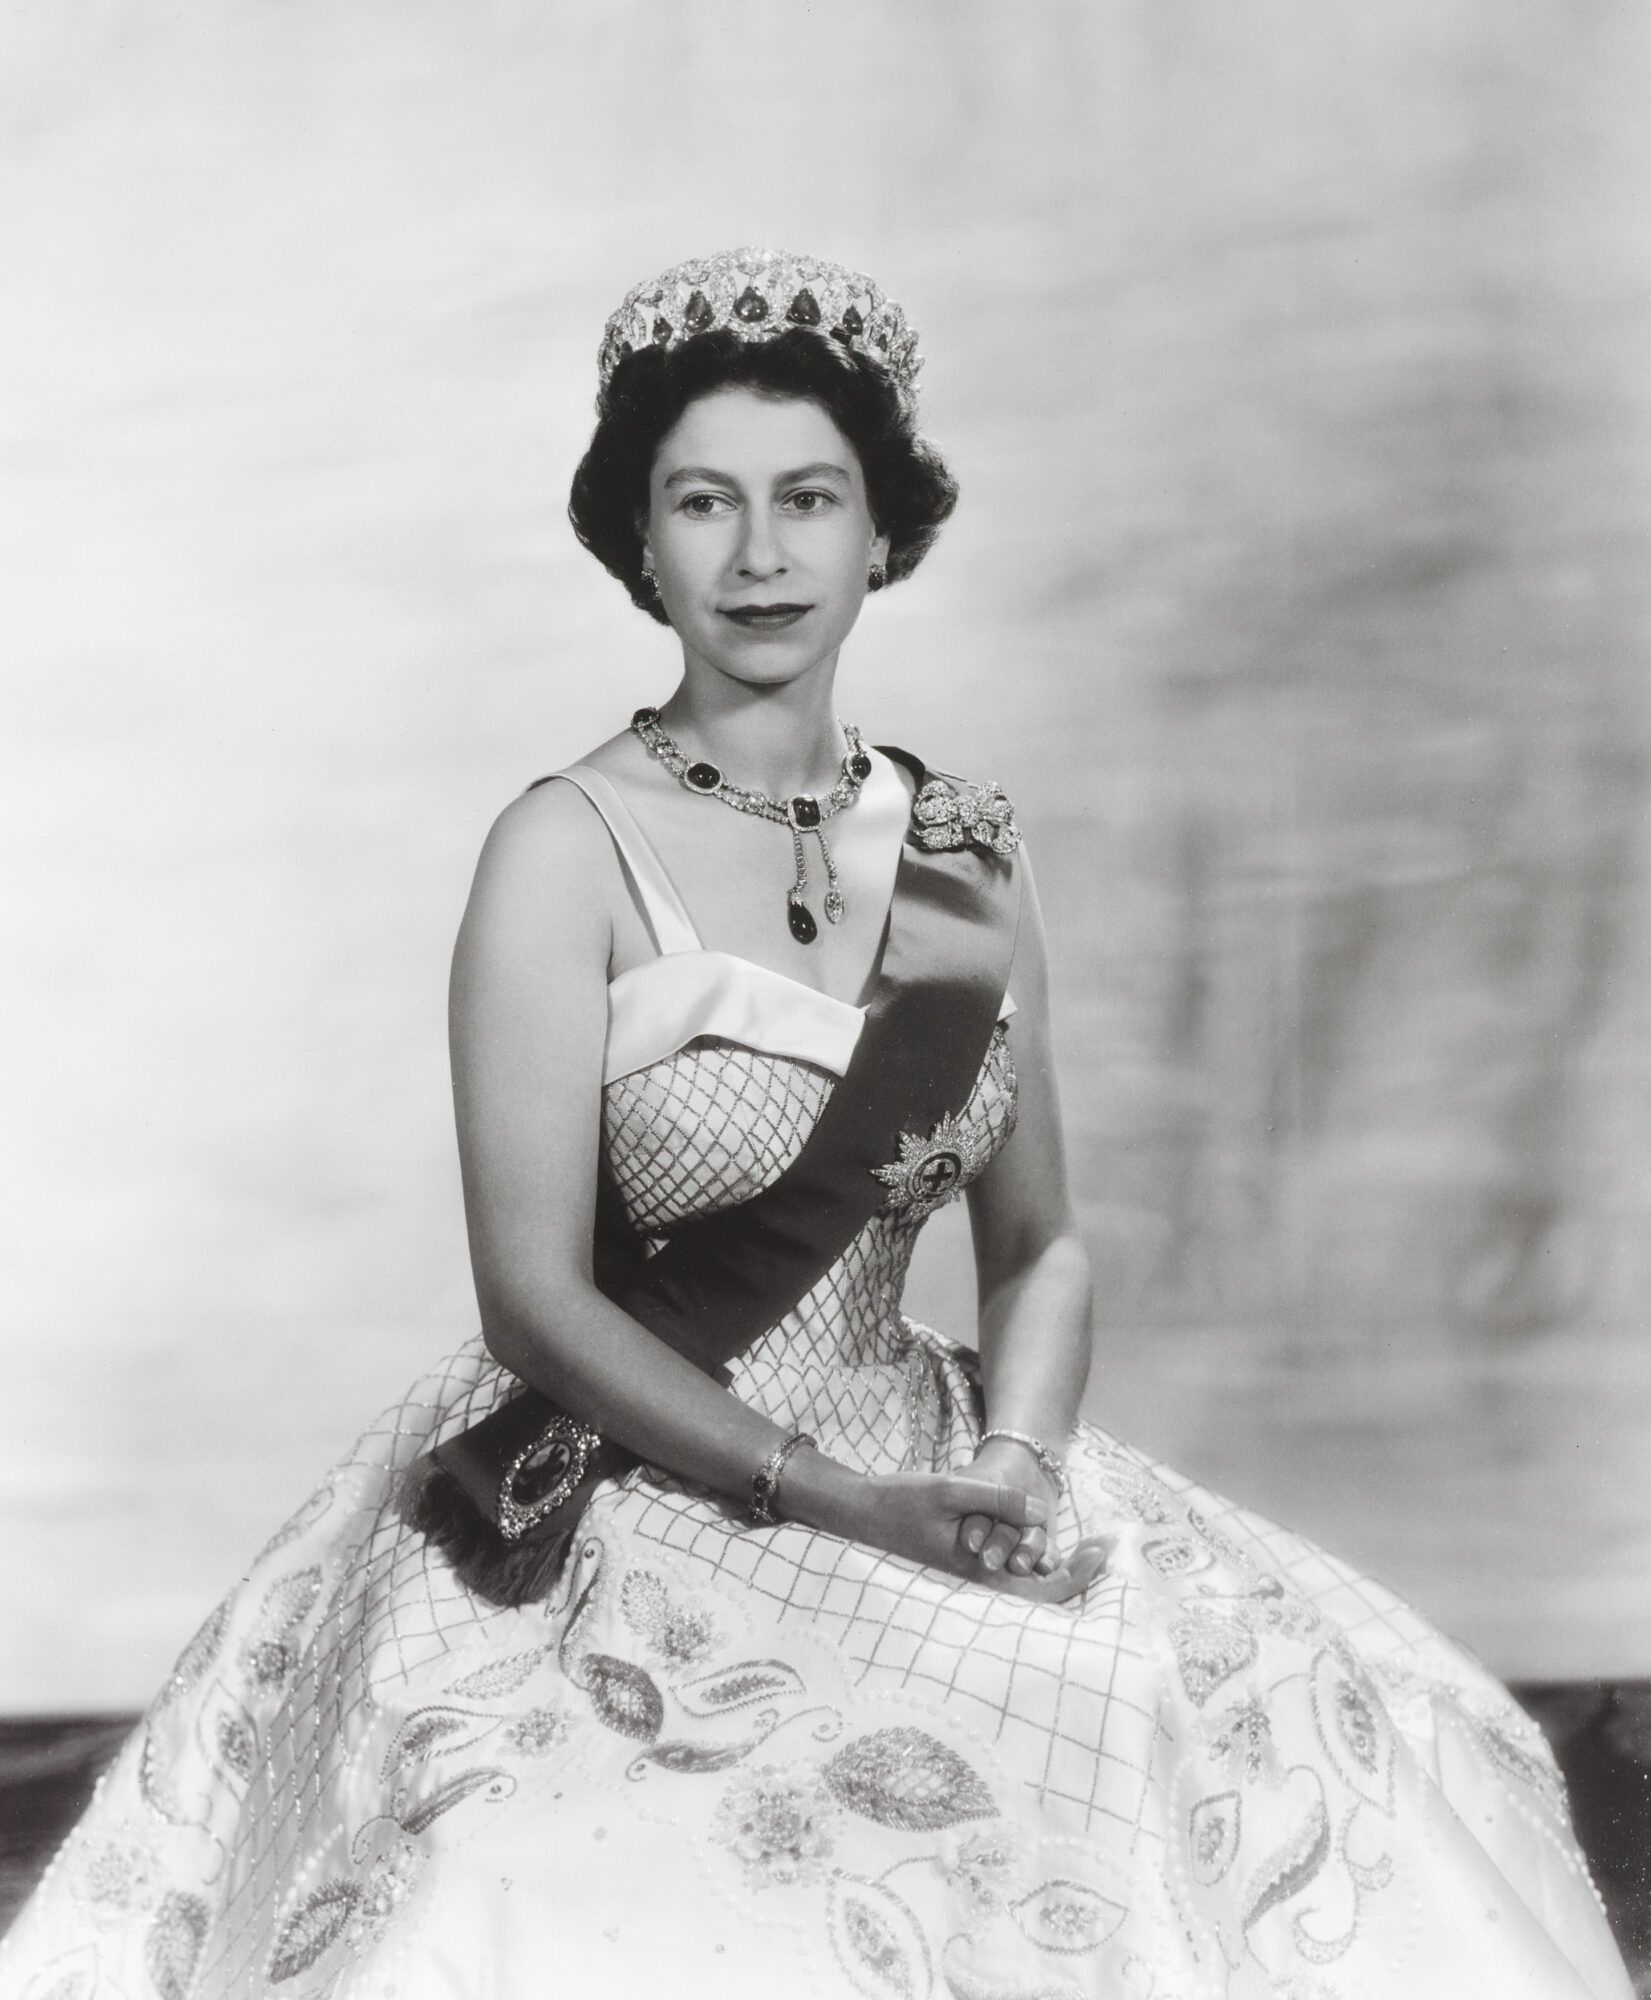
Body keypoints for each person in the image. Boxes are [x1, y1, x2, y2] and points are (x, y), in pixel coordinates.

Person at [0, 249, 1632, 2000]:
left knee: (1238, 1750)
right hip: (627, 1475)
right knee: (547, 1865)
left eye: (808, 499)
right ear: (640, 540)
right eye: (705, 502)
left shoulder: (968, 854)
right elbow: (533, 1304)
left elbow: (1041, 1246)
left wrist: (1013, 1466)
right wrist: (842, 1502)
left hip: (932, 1450)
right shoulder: (560, 851)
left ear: (880, 534)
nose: (760, 555)